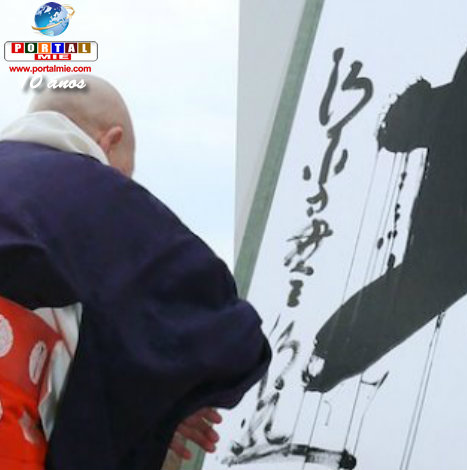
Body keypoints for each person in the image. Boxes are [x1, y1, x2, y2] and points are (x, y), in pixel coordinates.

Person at [0, 75, 271, 469]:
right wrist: (172, 400)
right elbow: (230, 337)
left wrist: (154, 411)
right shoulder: (93, 191)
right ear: (110, 140)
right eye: (125, 173)